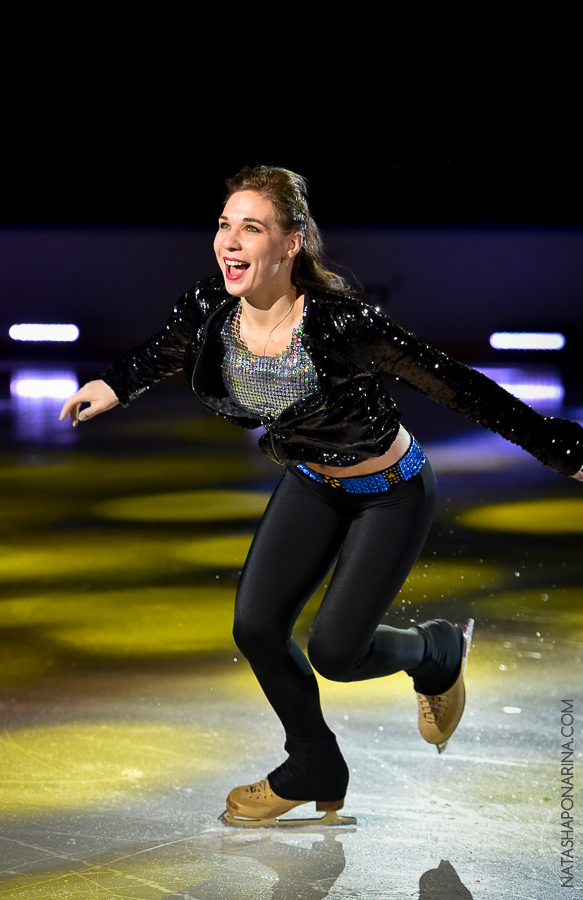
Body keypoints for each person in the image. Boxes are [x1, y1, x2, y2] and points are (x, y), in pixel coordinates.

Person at [60, 166, 583, 826]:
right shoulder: (210, 313)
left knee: (337, 654)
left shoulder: (342, 325)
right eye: (223, 225)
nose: (229, 240)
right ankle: (313, 762)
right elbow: (162, 350)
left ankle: (435, 651)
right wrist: (112, 386)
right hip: (311, 480)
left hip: (389, 493)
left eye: (250, 227)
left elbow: (458, 386)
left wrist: (561, 449)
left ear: (291, 243)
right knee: (255, 627)